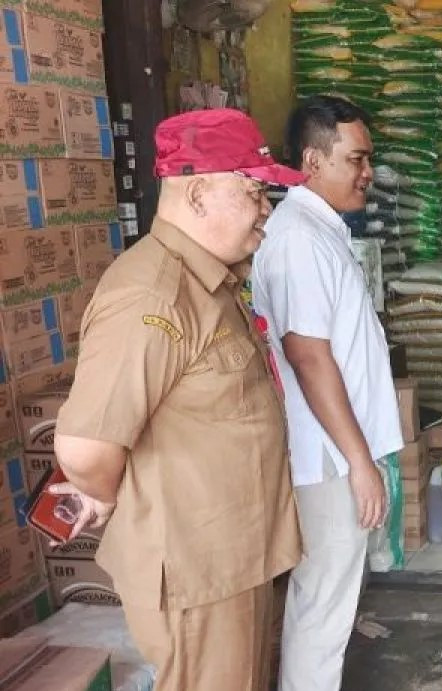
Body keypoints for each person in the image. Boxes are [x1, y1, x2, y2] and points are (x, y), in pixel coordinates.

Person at [50, 109, 304, 690]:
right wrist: (109, 496)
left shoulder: (206, 280)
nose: (266, 209)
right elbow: (86, 450)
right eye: (254, 191)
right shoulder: (153, 297)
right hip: (196, 571)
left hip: (229, 561)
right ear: (196, 195)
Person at [252, 95, 403, 691]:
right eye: (356, 160)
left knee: (329, 596)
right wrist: (359, 462)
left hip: (337, 451)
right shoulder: (297, 240)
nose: (368, 173)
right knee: (323, 604)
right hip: (327, 457)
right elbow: (307, 355)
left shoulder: (319, 229)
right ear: (313, 160)